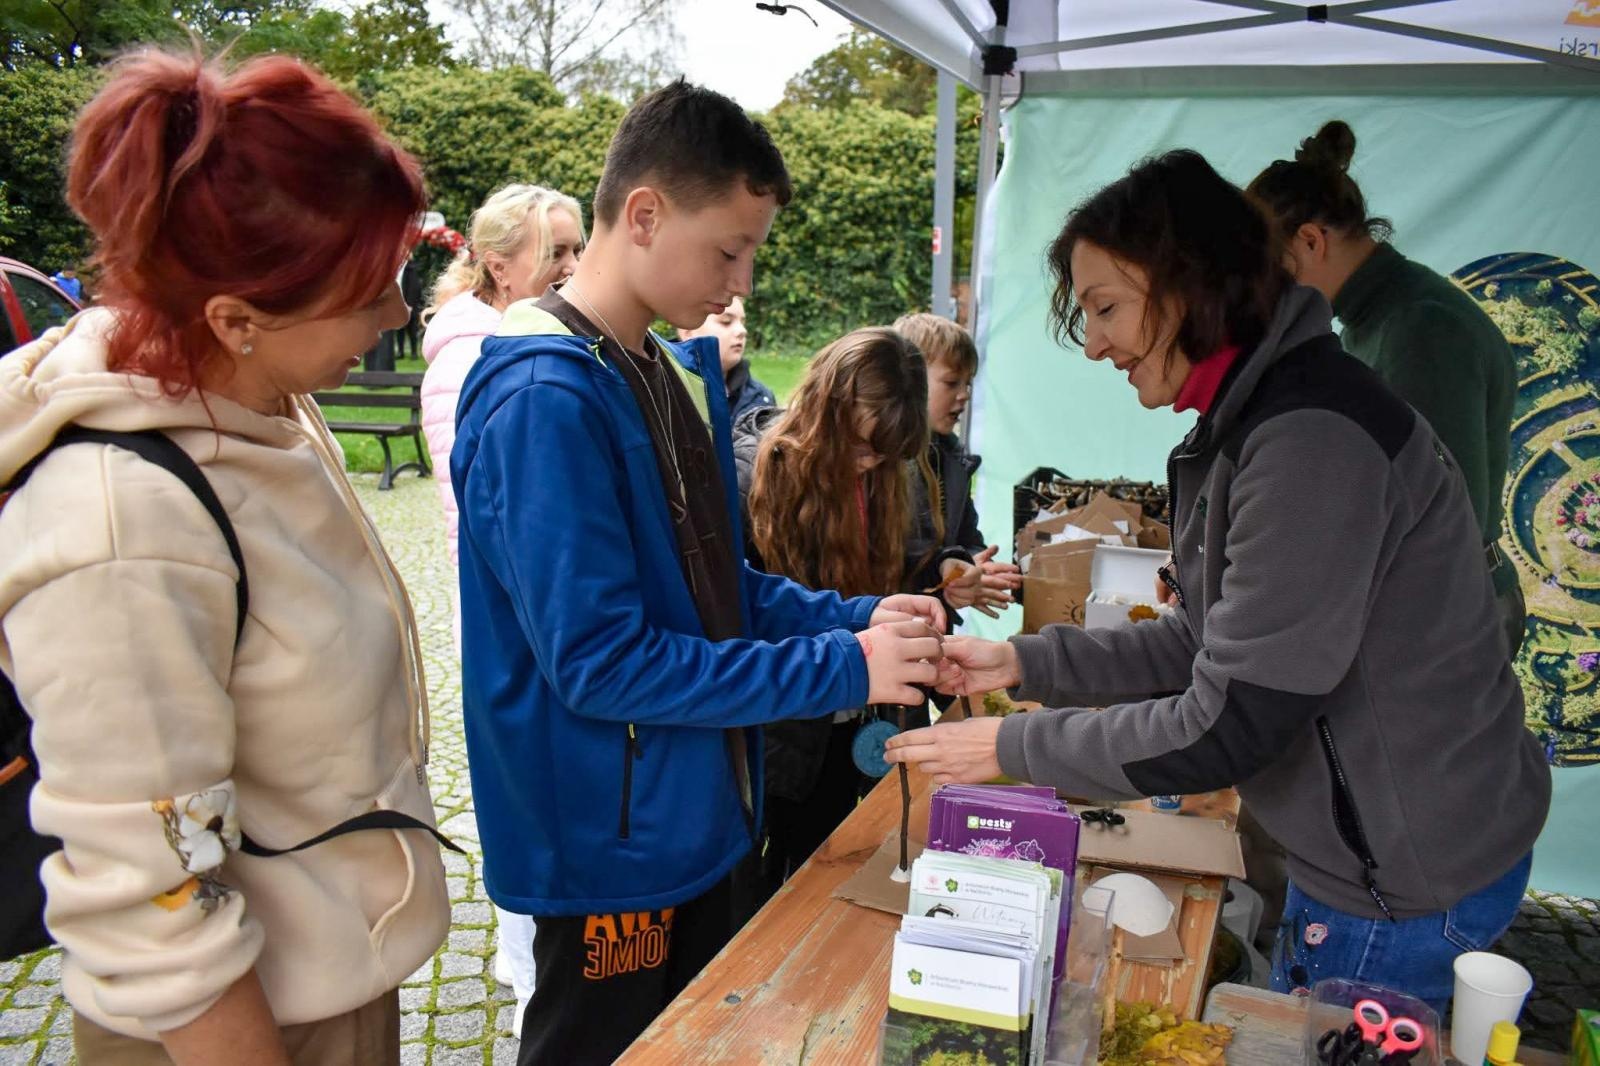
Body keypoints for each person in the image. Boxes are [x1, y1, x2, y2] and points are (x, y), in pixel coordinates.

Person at [883, 148, 1550, 1011]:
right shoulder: (1253, 420)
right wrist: (1025, 665)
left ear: (1192, 283)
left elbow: (1230, 721)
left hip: (1403, 880)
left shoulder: (1310, 440)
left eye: (1107, 308)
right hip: (1367, 856)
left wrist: (1008, 747)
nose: (1093, 344)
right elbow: (1204, 639)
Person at [450, 79, 945, 1066]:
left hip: (701, 815)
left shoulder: (666, 372)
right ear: (642, 214)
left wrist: (855, 618)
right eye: (730, 248)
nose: (744, 281)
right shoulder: (542, 395)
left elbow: (723, 592)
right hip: (609, 850)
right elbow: (601, 663)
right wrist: (844, 668)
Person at [0, 50, 450, 1064]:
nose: (396, 318)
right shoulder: (121, 528)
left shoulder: (260, 408)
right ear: (237, 321)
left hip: (323, 979)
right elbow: (150, 909)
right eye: (370, 294)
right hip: (232, 1026)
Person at [1248, 120, 1523, 655]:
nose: (1270, 299)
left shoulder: (1421, 327)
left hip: (1449, 619)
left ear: (1310, 240)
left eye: (1273, 276)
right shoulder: (1372, 320)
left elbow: (1433, 513)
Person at [419, 182, 584, 1038]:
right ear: (496, 263)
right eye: (554, 251)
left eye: (575, 248)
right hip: (503, 611)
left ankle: (521, 951)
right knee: (523, 787)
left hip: (528, 603)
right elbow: (483, 504)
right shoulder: (472, 359)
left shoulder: (530, 340)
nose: (571, 266)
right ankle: (526, 976)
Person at [731, 326, 931, 900]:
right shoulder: (751, 476)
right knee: (770, 892)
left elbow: (906, 566)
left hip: (859, 726)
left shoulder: (890, 478)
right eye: (863, 446)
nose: (870, 465)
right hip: (783, 738)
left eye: (887, 454)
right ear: (825, 409)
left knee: (839, 871)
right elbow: (745, 617)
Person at [893, 312, 1021, 620]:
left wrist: (973, 563)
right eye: (951, 383)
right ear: (907, 380)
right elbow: (901, 561)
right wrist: (948, 577)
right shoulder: (888, 463)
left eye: (968, 384)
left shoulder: (953, 461)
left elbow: (966, 537)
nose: (964, 395)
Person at [678, 296, 774, 421]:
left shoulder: (760, 397)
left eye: (743, 323)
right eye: (726, 321)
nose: (742, 331)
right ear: (688, 331)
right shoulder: (665, 394)